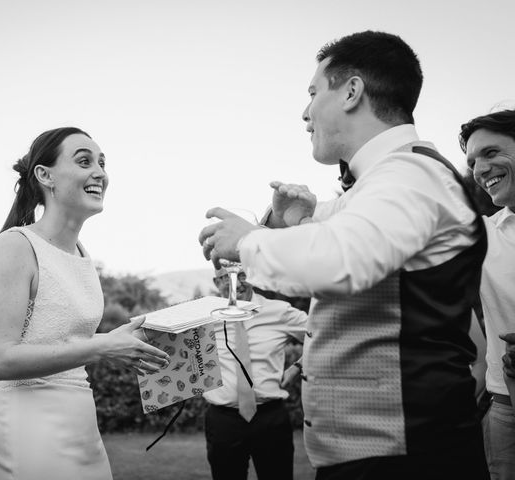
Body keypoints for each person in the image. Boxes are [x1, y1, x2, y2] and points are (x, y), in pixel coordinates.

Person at [199, 31, 489, 479]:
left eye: (314, 92)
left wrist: (246, 242)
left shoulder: (410, 174)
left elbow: (340, 257)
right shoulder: (381, 185)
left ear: (352, 91)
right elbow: (336, 236)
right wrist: (287, 224)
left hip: (406, 456)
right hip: (375, 455)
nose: (305, 111)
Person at [0, 127, 170, 480]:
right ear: (45, 175)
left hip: (81, 422)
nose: (100, 173)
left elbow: (63, 339)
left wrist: (115, 339)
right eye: (84, 161)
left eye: (102, 163)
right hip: (30, 428)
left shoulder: (82, 255)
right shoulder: (15, 246)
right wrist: (103, 347)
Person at [203, 265, 307, 480]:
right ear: (216, 282)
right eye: (226, 277)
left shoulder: (280, 311)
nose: (237, 283)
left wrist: (297, 367)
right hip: (223, 422)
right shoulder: (203, 315)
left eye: (242, 275)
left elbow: (325, 336)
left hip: (270, 419)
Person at [459, 109, 515, 479]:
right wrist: (293, 221)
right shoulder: (482, 233)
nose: (480, 169)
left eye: (491, 153)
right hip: (507, 411)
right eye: (473, 161)